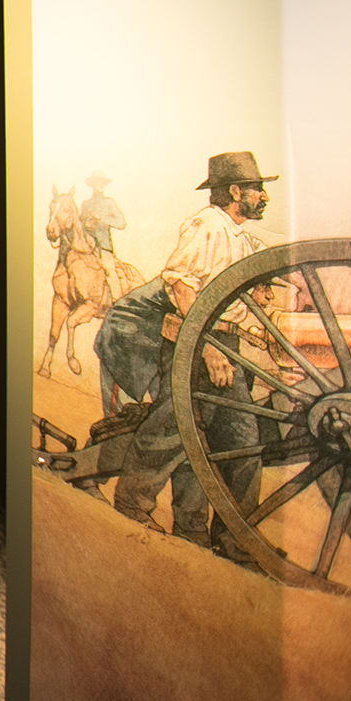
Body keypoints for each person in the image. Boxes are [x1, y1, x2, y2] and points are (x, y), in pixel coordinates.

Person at [107, 151, 280, 558]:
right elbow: (181, 286)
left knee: (241, 444)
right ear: (236, 191)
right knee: (174, 431)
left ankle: (229, 536)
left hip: (225, 347)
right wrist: (204, 346)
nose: (264, 197)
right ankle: (133, 503)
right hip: (192, 343)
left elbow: (242, 305)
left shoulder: (244, 238)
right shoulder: (206, 226)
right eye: (258, 189)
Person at [79, 170, 127, 300]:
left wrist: (101, 219)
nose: (100, 185)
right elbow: (80, 223)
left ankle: (116, 302)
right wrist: (86, 224)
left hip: (103, 245)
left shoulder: (109, 202)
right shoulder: (86, 204)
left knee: (110, 272)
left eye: (102, 182)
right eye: (97, 182)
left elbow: (121, 223)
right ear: (93, 185)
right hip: (87, 246)